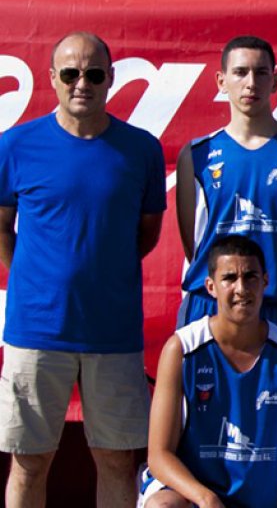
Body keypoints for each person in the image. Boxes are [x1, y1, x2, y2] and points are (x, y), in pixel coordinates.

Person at [0, 32, 165, 508]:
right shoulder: (16, 145)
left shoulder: (141, 150)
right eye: (71, 73)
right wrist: (36, 279)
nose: (82, 84)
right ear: (52, 78)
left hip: (112, 334)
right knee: (29, 463)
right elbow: (1, 227)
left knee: (117, 461)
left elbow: (146, 233)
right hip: (36, 332)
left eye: (93, 74)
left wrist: (101, 272)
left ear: (111, 78)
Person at [175, 36, 277, 444]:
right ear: (221, 81)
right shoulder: (198, 155)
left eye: (261, 73)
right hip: (211, 310)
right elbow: (194, 244)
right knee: (201, 432)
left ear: (275, 80)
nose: (251, 83)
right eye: (240, 73)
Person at [140, 236, 277, 508]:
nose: (241, 288)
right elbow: (159, 455)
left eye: (251, 276)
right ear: (211, 286)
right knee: (162, 506)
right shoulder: (181, 349)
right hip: (195, 498)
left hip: (259, 501)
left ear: (265, 281)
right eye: (229, 278)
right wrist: (206, 498)